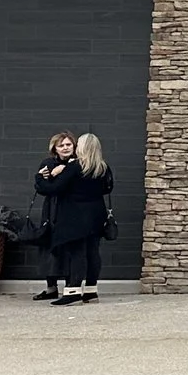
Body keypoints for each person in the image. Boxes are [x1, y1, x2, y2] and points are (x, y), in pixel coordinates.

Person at [37, 132, 113, 307]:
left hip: (75, 217)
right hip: (96, 214)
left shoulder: (75, 167)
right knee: (93, 252)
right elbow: (107, 188)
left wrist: (41, 178)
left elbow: (53, 189)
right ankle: (91, 291)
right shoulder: (102, 167)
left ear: (83, 147)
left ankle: (73, 292)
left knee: (77, 253)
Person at [31, 131, 73, 300]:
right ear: (55, 148)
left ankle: (71, 286)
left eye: (68, 144)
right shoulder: (48, 163)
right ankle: (51, 288)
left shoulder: (77, 163)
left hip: (71, 210)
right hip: (51, 211)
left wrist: (63, 171)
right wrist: (47, 176)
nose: (65, 148)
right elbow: (41, 188)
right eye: (61, 145)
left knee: (70, 248)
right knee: (49, 247)